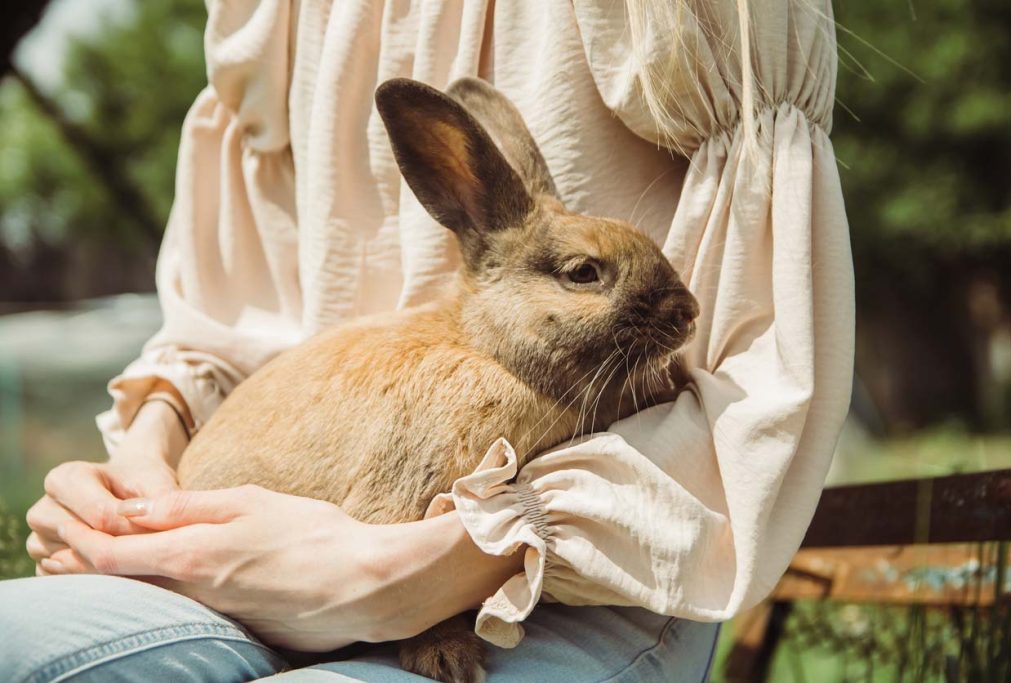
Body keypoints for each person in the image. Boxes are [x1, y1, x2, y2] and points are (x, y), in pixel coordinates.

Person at [0, 0, 854, 680]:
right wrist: (138, 479)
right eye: (589, 277)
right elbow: (226, 328)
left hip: (570, 597)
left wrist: (412, 592)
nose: (672, 314)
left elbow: (761, 383)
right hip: (230, 566)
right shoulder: (459, 371)